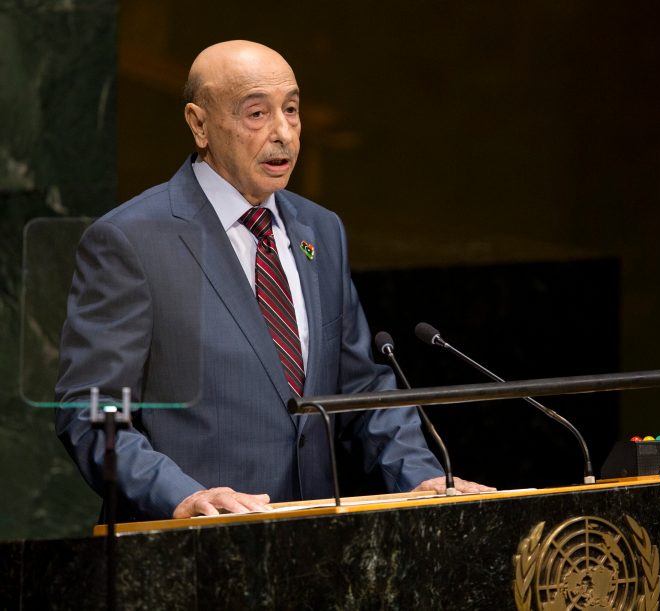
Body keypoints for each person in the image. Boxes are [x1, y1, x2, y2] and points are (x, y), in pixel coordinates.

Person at [55, 40, 493, 521]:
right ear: (198, 124)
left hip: (311, 541)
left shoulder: (320, 230)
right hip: (189, 548)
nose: (283, 133)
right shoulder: (131, 239)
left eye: (292, 110)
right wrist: (180, 496)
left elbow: (361, 389)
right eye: (257, 114)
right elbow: (92, 413)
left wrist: (422, 478)